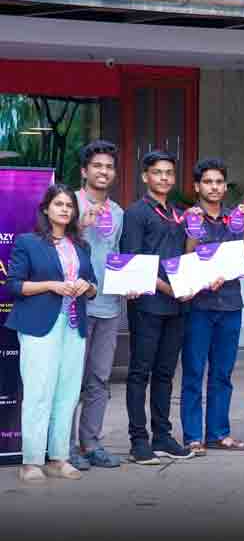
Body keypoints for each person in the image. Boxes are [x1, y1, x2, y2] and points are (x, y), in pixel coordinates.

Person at [7, 184, 98, 483]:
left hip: (74, 327)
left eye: (69, 205)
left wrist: (87, 286)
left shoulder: (81, 246)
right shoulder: (28, 242)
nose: (65, 209)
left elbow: (93, 286)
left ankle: (59, 458)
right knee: (38, 393)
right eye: (59, 204)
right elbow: (14, 285)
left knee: (67, 394)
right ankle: (31, 461)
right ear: (46, 208)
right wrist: (51, 285)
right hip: (39, 325)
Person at [121, 150, 194, 464]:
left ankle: (162, 436)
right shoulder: (136, 213)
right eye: (158, 172)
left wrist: (189, 283)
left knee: (165, 373)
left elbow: (189, 255)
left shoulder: (180, 214)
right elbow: (133, 260)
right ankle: (139, 440)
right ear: (145, 177)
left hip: (177, 307)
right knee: (140, 372)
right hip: (147, 304)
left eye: (169, 173)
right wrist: (169, 288)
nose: (164, 178)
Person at [179, 158, 244, 455]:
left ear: (225, 186)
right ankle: (192, 437)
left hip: (230, 304)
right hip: (199, 305)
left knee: (222, 374)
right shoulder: (189, 217)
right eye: (208, 182)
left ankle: (218, 433)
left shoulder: (234, 218)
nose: (214, 187)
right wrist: (192, 230)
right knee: (194, 372)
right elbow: (185, 259)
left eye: (219, 182)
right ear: (197, 187)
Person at [68, 140, 126, 471]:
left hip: (109, 306)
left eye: (109, 167)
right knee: (71, 380)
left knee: (100, 379)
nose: (104, 171)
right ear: (84, 171)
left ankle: (91, 443)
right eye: (97, 166)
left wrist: (129, 283)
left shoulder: (118, 212)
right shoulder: (69, 202)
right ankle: (64, 447)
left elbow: (116, 255)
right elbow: (52, 243)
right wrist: (80, 225)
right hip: (73, 306)